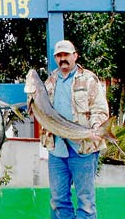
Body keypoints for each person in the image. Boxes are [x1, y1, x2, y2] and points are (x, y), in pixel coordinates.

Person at [40, 40, 109, 218]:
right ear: (56, 58)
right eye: (59, 56)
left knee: (86, 203)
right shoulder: (49, 82)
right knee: (58, 201)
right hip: (57, 151)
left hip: (83, 150)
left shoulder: (89, 79)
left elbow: (100, 109)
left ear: (75, 56)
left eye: (66, 55)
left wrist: (96, 128)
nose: (63, 59)